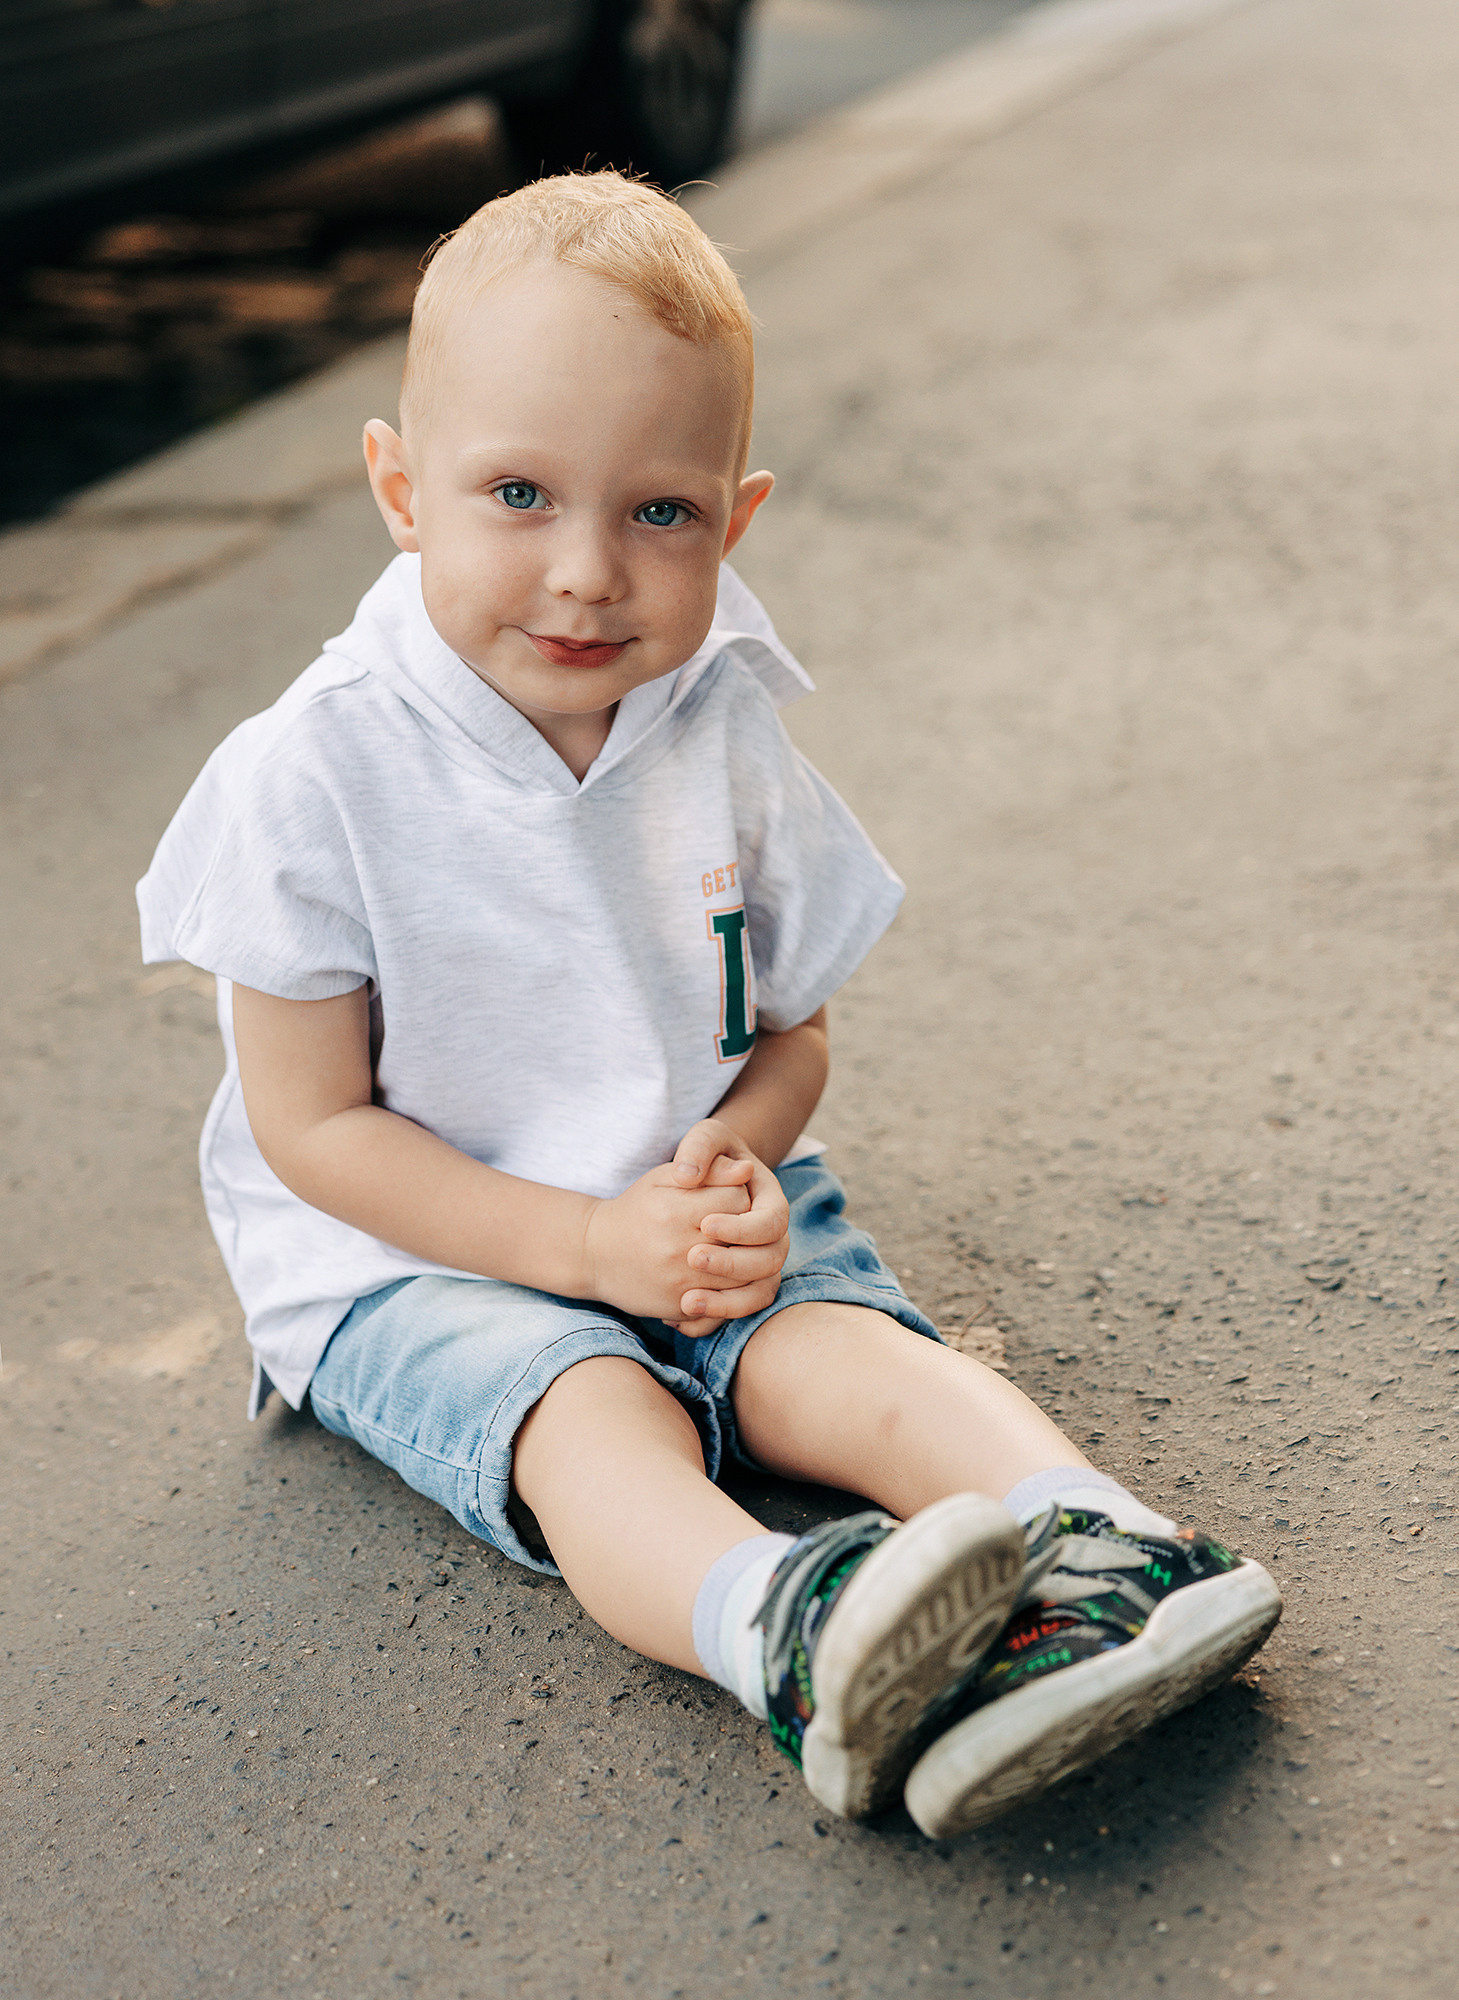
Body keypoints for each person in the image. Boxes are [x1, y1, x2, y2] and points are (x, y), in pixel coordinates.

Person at [137, 172, 1281, 1838]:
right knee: (592, 1418)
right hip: (412, 1253)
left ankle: (1097, 1544)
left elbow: (792, 1027)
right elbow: (313, 1130)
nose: (588, 574)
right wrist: (590, 1260)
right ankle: (796, 1630)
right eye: (517, 494)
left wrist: (735, 1157)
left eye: (656, 514)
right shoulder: (314, 773)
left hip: (679, 1186)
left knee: (838, 1349)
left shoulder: (720, 726)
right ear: (399, 488)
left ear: (732, 520)